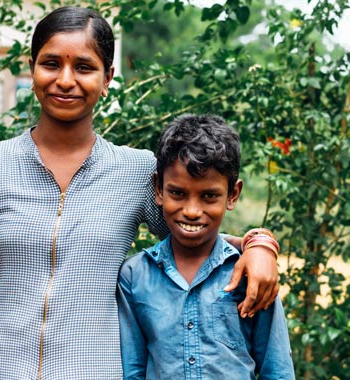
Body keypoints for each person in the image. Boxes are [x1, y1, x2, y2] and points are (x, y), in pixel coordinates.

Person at [0, 7, 281, 380]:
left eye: (84, 67)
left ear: (107, 79)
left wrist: (259, 246)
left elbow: (197, 239)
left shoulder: (136, 172)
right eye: (51, 63)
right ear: (32, 68)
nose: (65, 80)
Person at [117, 114, 294, 379]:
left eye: (209, 196)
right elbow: (132, 371)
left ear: (232, 194)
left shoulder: (251, 272)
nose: (191, 211)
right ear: (158, 189)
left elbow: (276, 369)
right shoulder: (135, 276)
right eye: (177, 193)